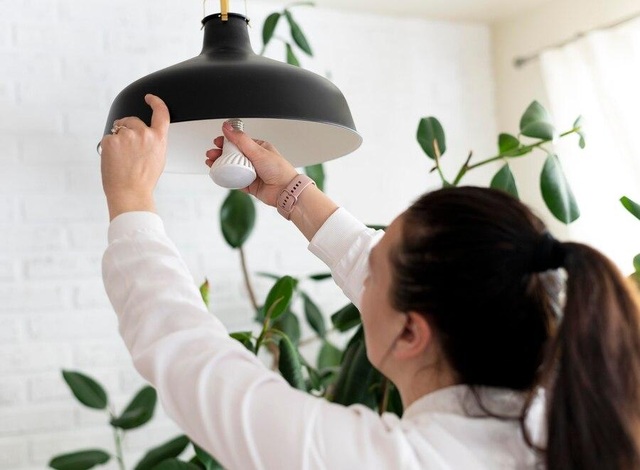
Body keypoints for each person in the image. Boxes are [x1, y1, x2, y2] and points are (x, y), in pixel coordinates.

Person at [100, 95, 640, 470]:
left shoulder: (379, 460)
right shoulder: (573, 420)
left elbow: (192, 359)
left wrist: (131, 200)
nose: (368, 258)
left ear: (412, 334)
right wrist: (291, 191)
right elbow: (385, 271)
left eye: (382, 262)